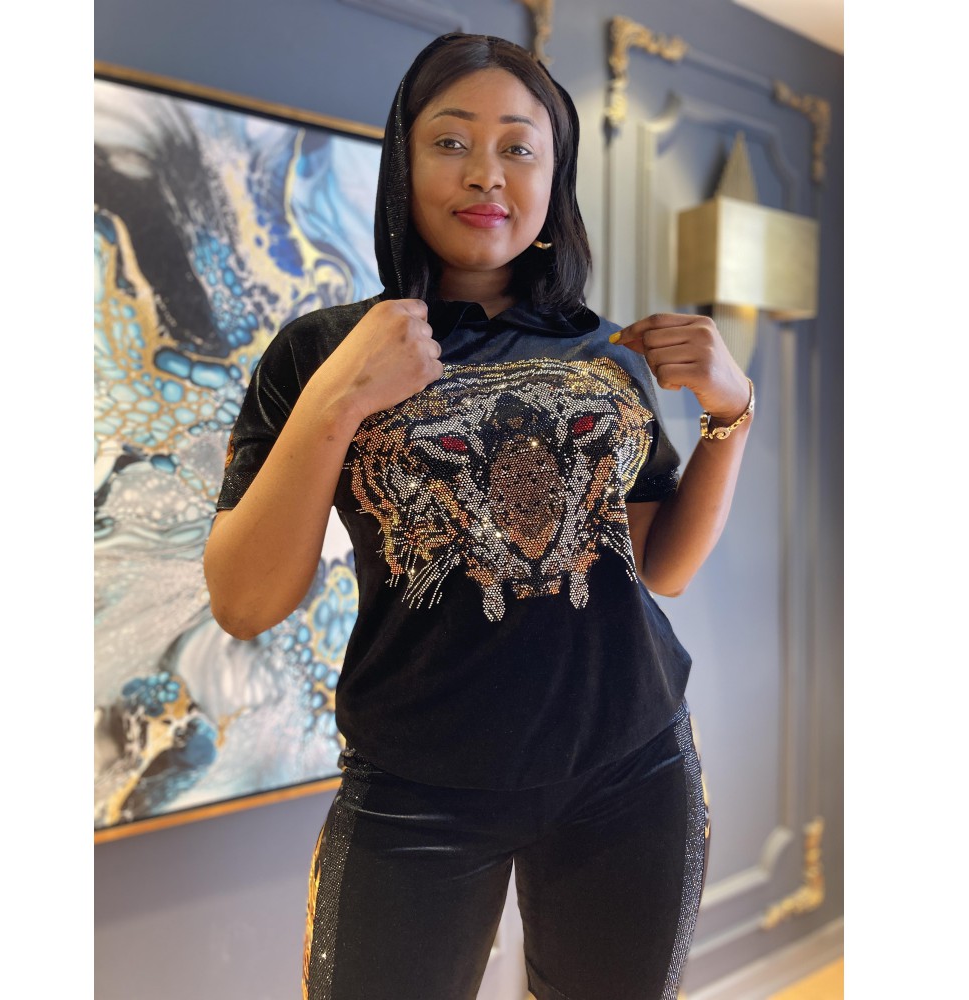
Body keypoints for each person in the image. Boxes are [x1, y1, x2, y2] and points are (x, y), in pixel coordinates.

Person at [204, 31, 754, 1000]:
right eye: (451, 141)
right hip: (415, 786)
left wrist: (732, 411)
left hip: (632, 767)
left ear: (553, 175)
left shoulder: (607, 356)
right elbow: (245, 602)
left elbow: (659, 568)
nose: (486, 174)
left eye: (518, 147)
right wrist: (338, 401)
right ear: (403, 162)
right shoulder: (321, 351)